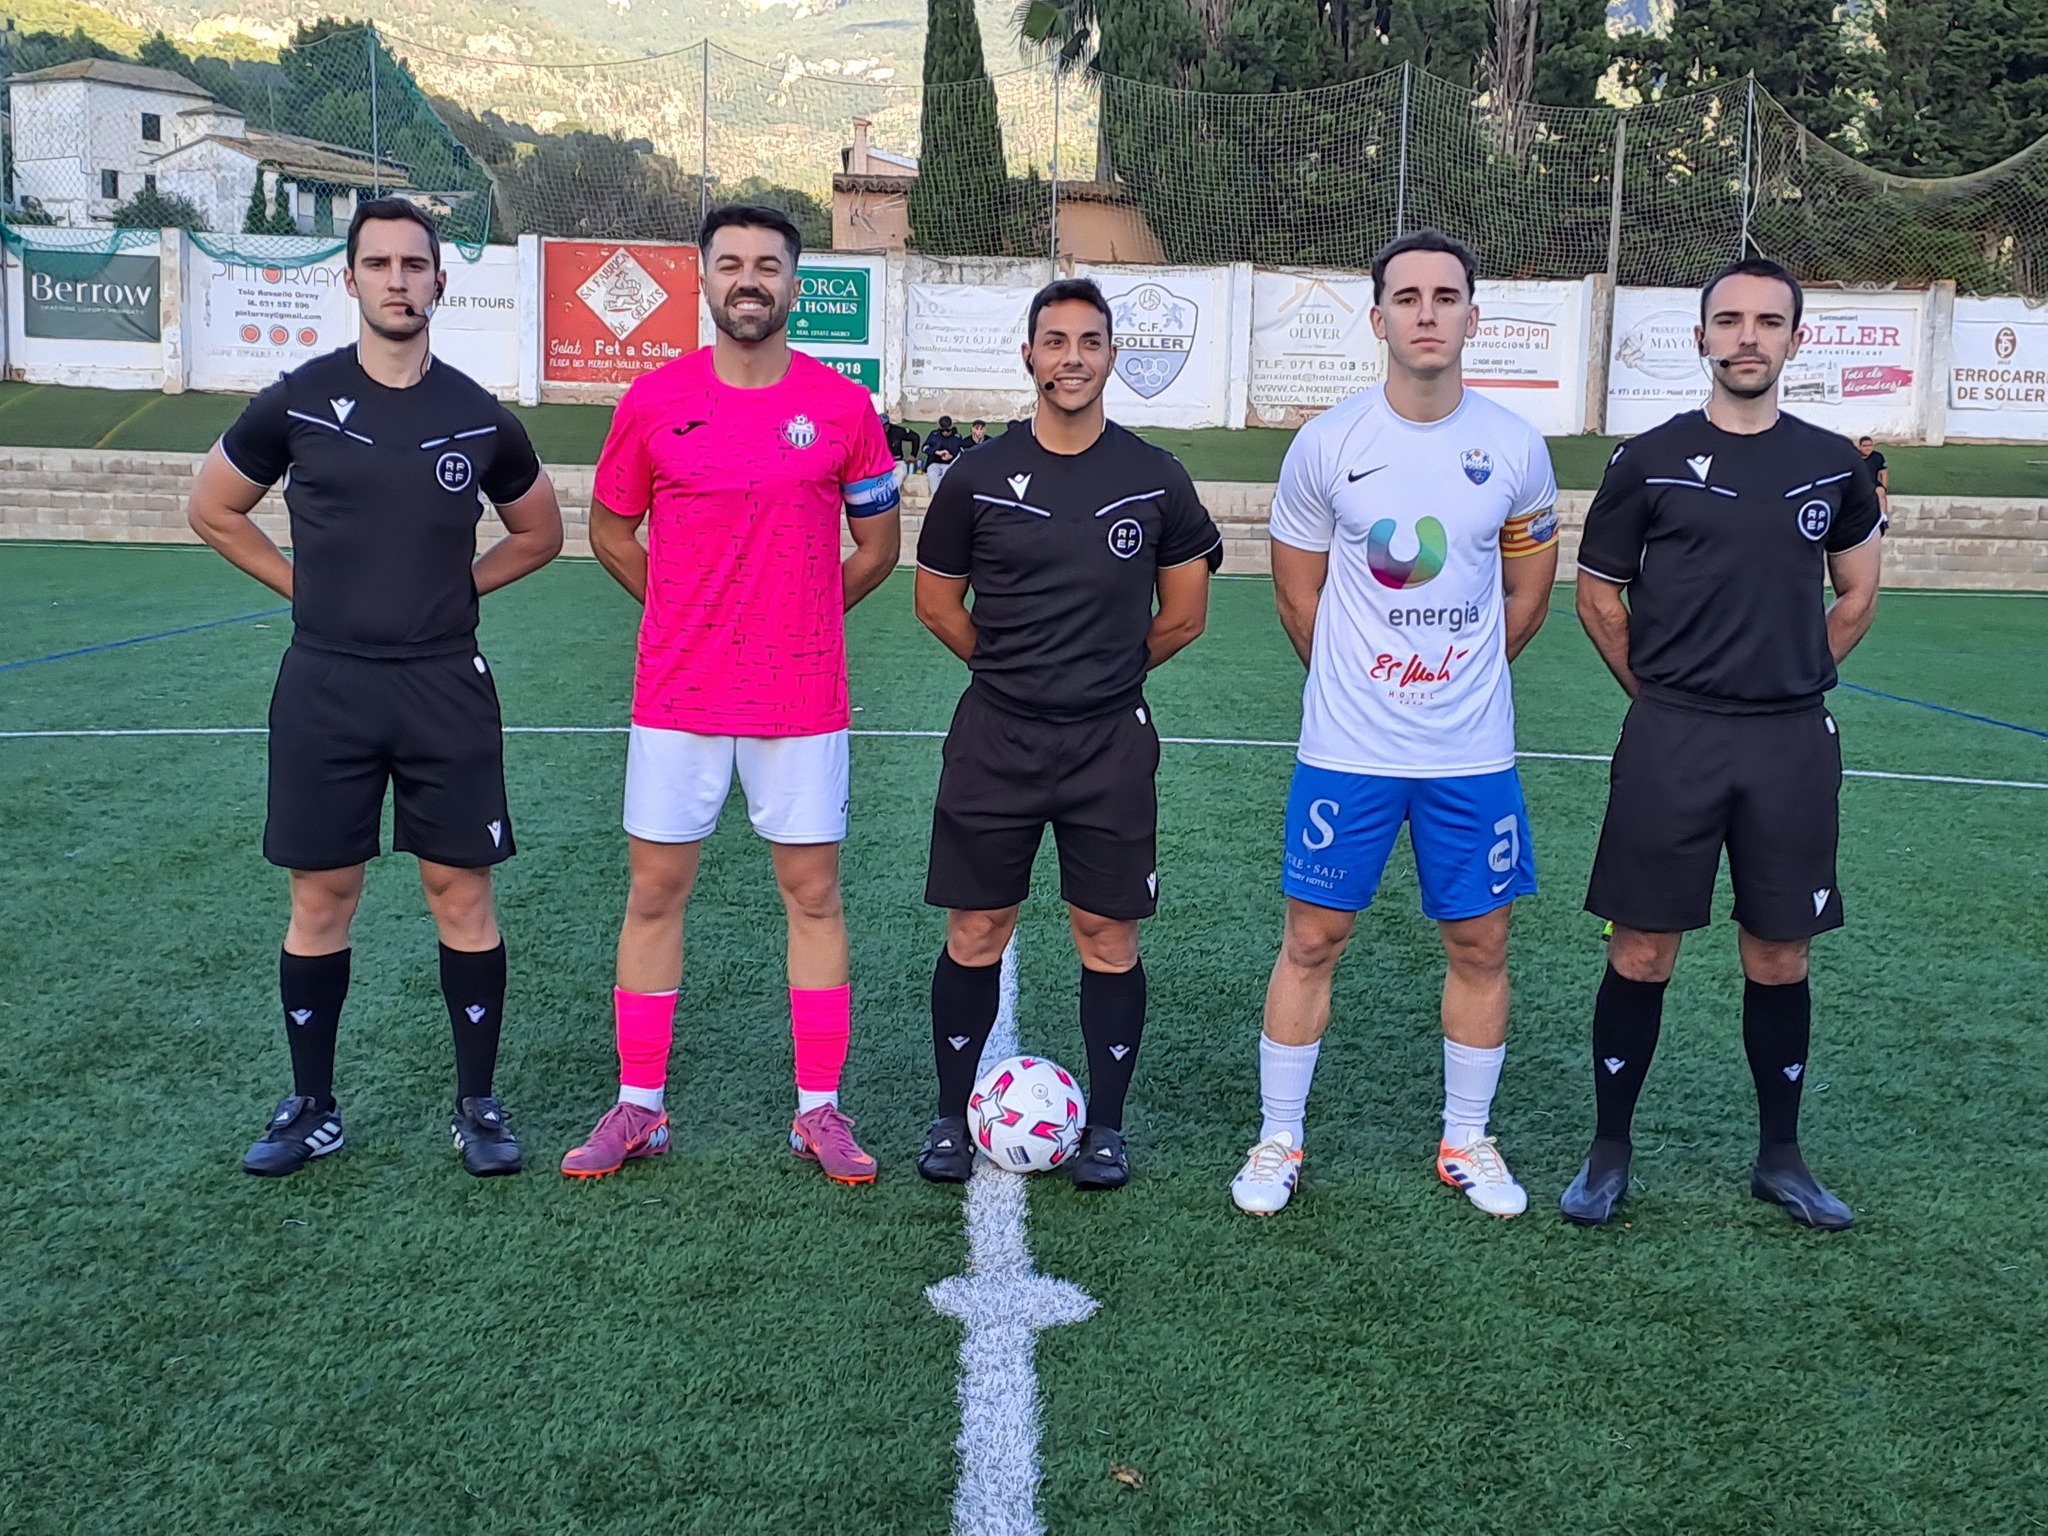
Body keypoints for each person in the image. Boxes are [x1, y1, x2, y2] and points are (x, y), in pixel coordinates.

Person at [186, 198, 563, 1178]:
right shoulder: (297, 401)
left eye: (414, 264)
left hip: (444, 684)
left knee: (460, 892)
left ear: (441, 281)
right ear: (348, 278)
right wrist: (303, 589)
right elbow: (213, 508)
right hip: (327, 684)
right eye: (379, 263)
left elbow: (540, 533)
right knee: (323, 896)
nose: (398, 280)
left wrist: (457, 590)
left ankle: (476, 1104)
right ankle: (312, 1106)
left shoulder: (479, 415)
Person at [561, 204, 901, 1184]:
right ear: (703, 278)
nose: (748, 280)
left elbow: (877, 545)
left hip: (801, 695)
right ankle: (639, 1105)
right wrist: (683, 611)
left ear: (795, 283)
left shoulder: (842, 407)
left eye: (767, 265)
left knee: (813, 895)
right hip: (679, 694)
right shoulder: (652, 401)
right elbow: (611, 530)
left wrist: (801, 614)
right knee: (654, 891)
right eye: (730, 264)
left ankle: (818, 1110)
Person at [1228, 230, 1560, 1220]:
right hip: (1347, 751)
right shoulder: (1327, 444)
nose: (1426, 313)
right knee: (1312, 938)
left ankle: (1466, 1141)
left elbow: (1528, 592)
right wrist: (1361, 688)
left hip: (1470, 754)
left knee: (1481, 943)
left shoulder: (1514, 448)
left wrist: (1455, 685)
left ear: (1471, 316)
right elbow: (1297, 596)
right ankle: (1278, 1139)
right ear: (1376, 319)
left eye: (1445, 297)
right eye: (1407, 298)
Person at [1561, 255, 1885, 1231]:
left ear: (1795, 339)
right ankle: (1607, 1153)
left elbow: (1856, 594)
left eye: (1767, 322)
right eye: (1730, 321)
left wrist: (1787, 678)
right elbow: (1597, 596)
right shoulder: (1646, 457)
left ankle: (1780, 1158)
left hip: (1788, 744)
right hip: (1673, 738)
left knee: (1780, 954)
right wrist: (1664, 698)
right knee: (1640, 949)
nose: (1748, 337)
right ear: (1701, 336)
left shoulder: (1833, 462)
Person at [912, 277, 1222, 1190]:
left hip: (1108, 745)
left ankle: (1108, 1128)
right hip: (996, 738)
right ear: (1029, 356)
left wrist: (1106, 677)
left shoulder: (1156, 476)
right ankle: (949, 1118)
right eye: (1056, 341)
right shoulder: (976, 476)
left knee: (1107, 934)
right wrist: (1013, 673)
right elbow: (937, 605)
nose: (1072, 358)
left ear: (1112, 357)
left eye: (1090, 342)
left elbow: (1185, 615)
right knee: (977, 927)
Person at [923, 415, 968, 488]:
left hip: (948, 464)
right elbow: (924, 448)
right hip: (934, 463)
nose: (945, 432)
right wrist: (936, 452)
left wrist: (952, 456)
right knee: (932, 474)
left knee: (947, 476)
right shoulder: (934, 435)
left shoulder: (956, 437)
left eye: (947, 430)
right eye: (942, 430)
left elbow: (962, 453)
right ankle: (935, 494)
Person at [1857, 435, 1890, 517]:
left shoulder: (1877, 456)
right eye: (1865, 446)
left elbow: (1884, 473)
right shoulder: (1854, 457)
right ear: (1859, 447)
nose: (1868, 448)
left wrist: (1884, 488)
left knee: (1881, 491)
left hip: (1872, 484)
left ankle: (1883, 517)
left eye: (1870, 445)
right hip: (1857, 485)